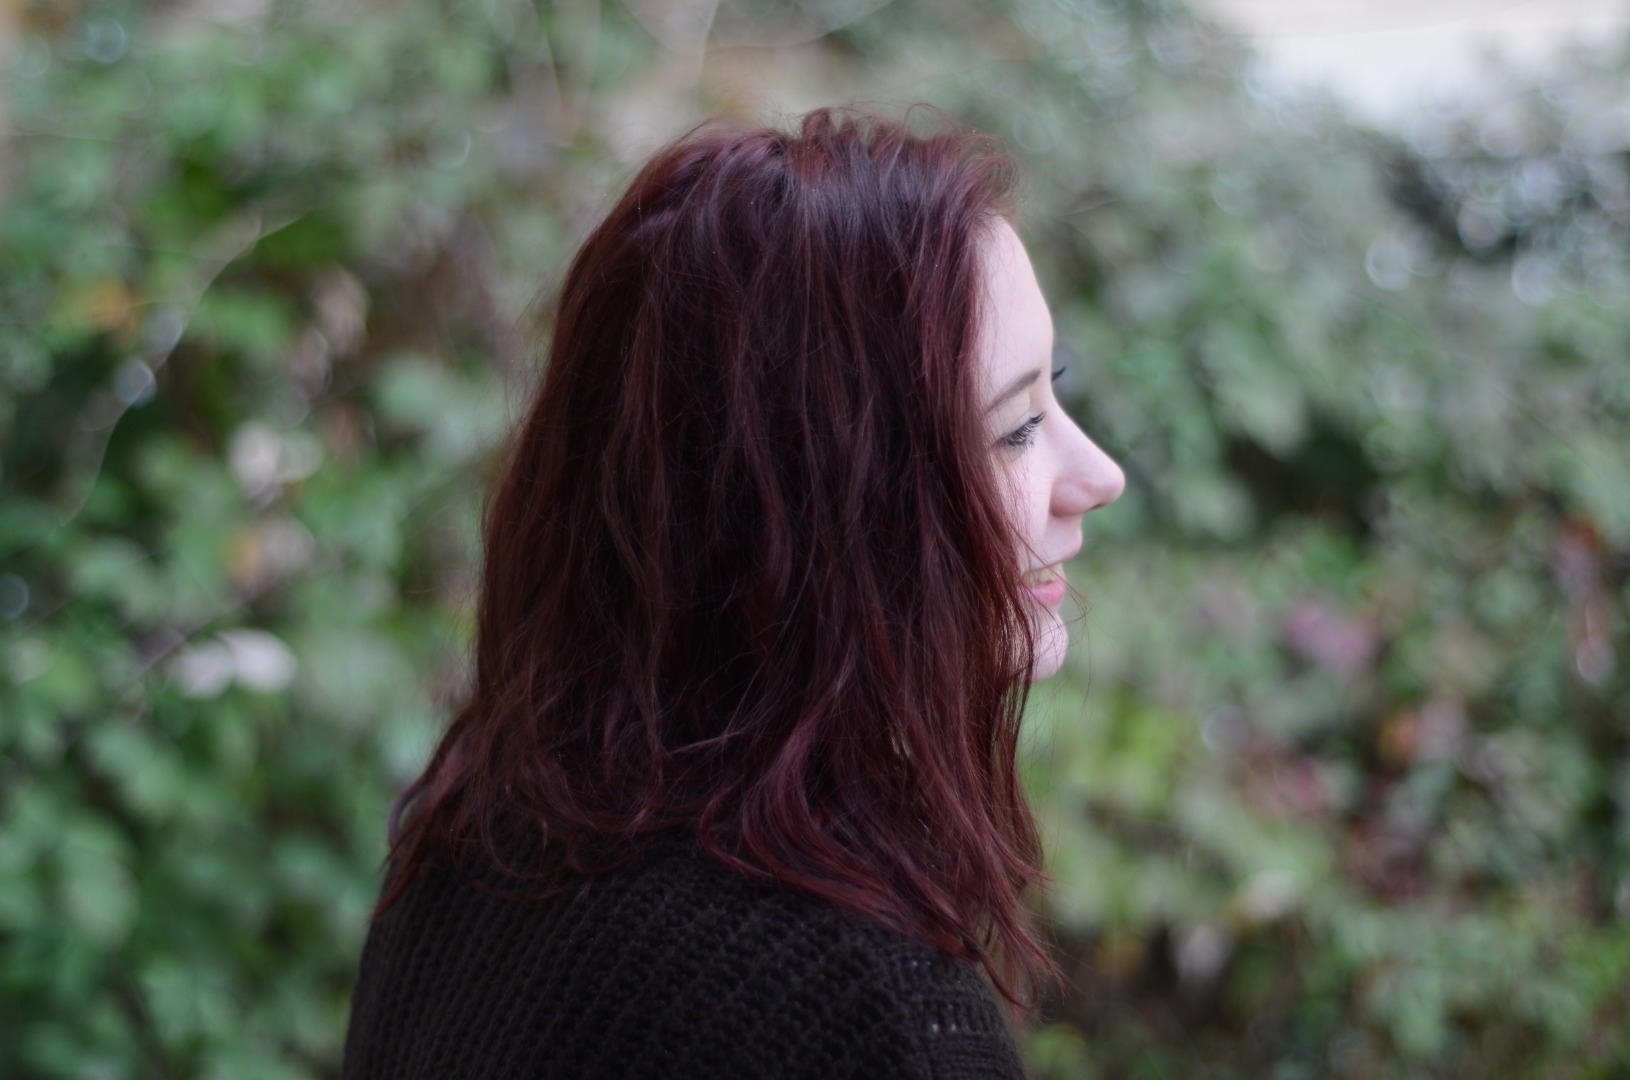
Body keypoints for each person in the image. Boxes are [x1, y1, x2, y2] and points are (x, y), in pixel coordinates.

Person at [341, 107, 1124, 1080]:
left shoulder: (469, 848)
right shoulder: (856, 1009)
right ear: (817, 504)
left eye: (1053, 391)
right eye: (1014, 429)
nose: (1100, 475)